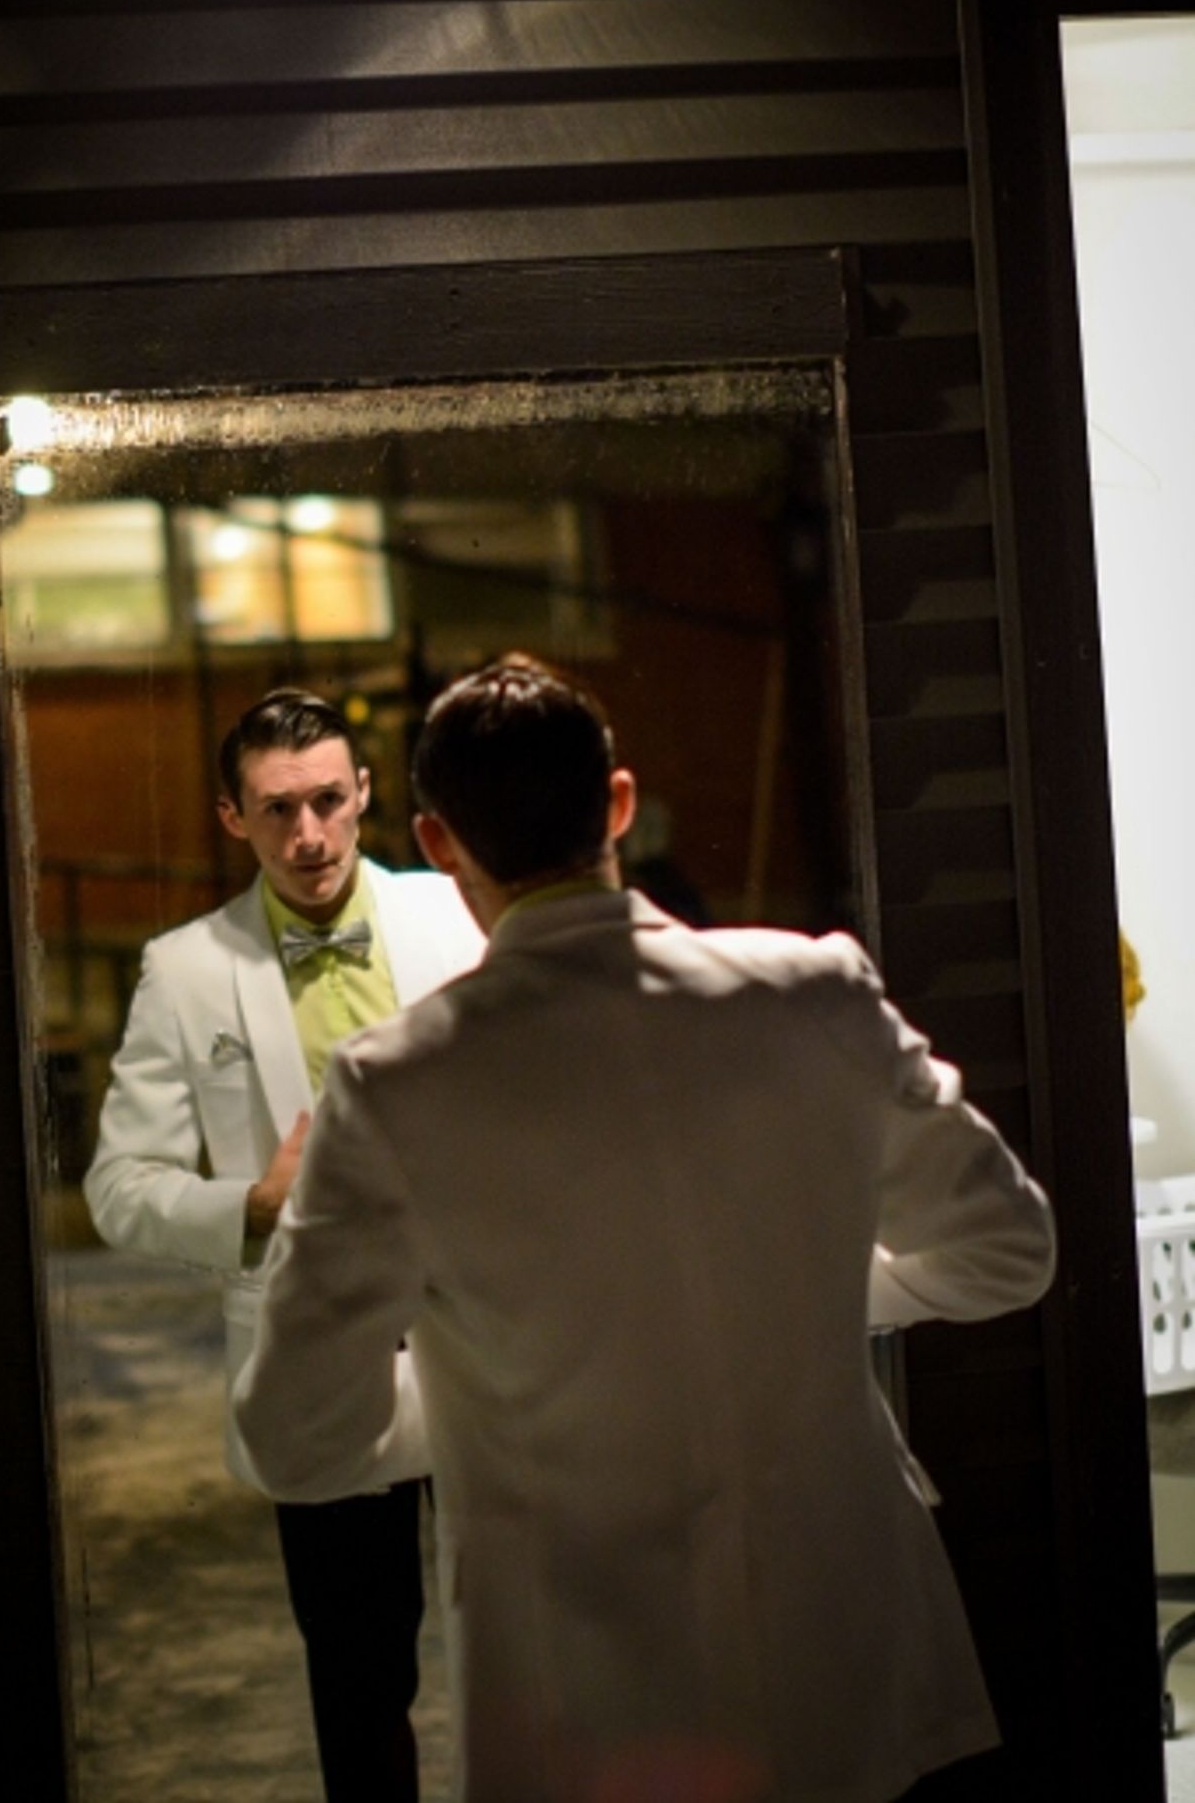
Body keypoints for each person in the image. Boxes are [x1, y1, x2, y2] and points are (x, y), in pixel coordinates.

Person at [234, 655, 1057, 1803]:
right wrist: (791, 1289)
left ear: (432, 838)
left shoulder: (396, 1084)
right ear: (617, 803)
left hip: (584, 1699)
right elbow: (1009, 1252)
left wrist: (500, 1382)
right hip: (846, 1648)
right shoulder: (813, 990)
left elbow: (296, 1438)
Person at [83, 687, 484, 1803]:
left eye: (325, 802)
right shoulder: (184, 970)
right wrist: (248, 1209)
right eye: (276, 811)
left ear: (364, 796)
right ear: (231, 818)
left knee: (532, 1629)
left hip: (488, 1325)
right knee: (358, 1671)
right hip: (318, 1348)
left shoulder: (456, 916)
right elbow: (116, 1187)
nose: (307, 836)